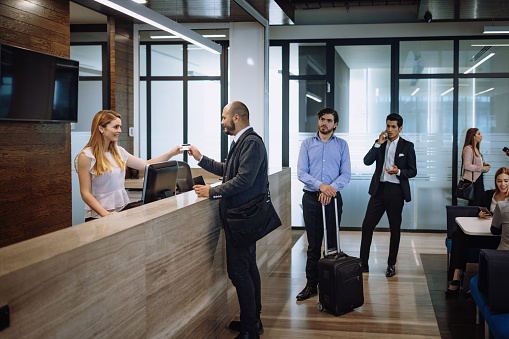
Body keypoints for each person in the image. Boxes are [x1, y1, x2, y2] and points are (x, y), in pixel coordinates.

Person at [188, 101, 266, 339]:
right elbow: (228, 170)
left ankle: (250, 330)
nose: (222, 121)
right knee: (248, 268)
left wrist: (211, 192)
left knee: (239, 273)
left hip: (242, 218)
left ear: (237, 118)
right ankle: (252, 321)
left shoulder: (251, 142)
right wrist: (201, 159)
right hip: (241, 217)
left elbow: (244, 180)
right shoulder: (241, 141)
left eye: (224, 117)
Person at [75, 110, 182, 221]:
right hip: (99, 217)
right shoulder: (87, 156)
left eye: (120, 127)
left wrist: (171, 153)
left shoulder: (119, 152)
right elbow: (85, 193)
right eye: (116, 127)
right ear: (101, 128)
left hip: (121, 212)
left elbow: (146, 164)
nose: (120, 131)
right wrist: (105, 214)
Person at [295, 108, 351, 301]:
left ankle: (331, 284)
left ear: (335, 124)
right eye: (321, 119)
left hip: (333, 199)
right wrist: (322, 187)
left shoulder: (342, 145)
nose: (323, 123)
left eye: (328, 120)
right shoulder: (307, 144)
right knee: (313, 245)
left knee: (332, 245)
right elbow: (302, 173)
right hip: (311, 199)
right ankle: (311, 285)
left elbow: (346, 174)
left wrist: (330, 190)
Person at [360, 113, 417, 277]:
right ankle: (363, 263)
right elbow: (367, 161)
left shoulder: (407, 146)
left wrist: (399, 171)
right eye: (388, 126)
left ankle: (391, 264)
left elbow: (413, 171)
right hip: (379, 190)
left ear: (400, 128)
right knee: (367, 225)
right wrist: (378, 144)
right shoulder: (380, 144)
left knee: (395, 229)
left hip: (396, 192)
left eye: (393, 127)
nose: (390, 130)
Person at [446, 167, 508, 297]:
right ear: (495, 181)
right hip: (484, 232)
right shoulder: (488, 195)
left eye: (506, 181)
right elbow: (478, 209)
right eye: (499, 181)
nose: (502, 184)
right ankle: (457, 275)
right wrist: (479, 213)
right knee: (460, 234)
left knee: (460, 235)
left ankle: (475, 284)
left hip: (499, 237)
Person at [461, 128, 491, 206]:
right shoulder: (468, 148)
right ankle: (472, 217)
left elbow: (474, 164)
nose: (481, 136)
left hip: (478, 178)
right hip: (473, 181)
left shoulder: (476, 149)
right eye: (479, 134)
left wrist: (483, 166)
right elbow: (467, 165)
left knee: (479, 201)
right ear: (473, 137)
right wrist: (481, 168)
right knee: (475, 203)